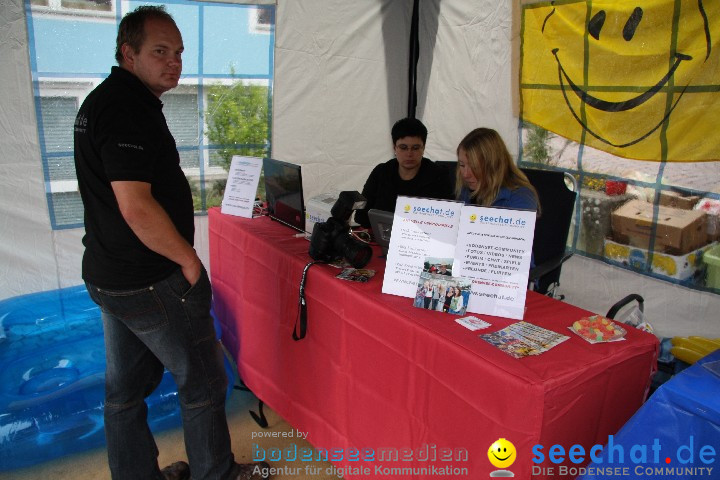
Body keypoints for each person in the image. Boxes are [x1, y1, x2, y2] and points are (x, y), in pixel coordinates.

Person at [73, 6, 269, 480]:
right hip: (147, 278)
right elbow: (135, 206)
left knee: (124, 391)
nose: (174, 62)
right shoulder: (123, 108)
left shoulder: (108, 100)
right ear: (128, 53)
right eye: (160, 51)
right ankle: (216, 473)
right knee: (202, 380)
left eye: (178, 52)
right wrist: (190, 263)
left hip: (110, 275)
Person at [354, 117, 454, 227]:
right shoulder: (381, 172)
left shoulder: (438, 176)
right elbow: (360, 215)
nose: (409, 154)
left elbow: (446, 222)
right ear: (394, 147)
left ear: (423, 148)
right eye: (403, 147)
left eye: (415, 148)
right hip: (380, 237)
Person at [456, 127, 539, 212]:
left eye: (474, 167)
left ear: (493, 165)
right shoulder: (466, 190)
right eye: (462, 165)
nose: (466, 174)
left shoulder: (521, 198)